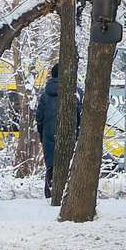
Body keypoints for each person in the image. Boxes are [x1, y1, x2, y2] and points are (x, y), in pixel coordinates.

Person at [36, 64, 81, 200]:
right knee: (69, 165)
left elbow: (39, 119)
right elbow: (81, 116)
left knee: (51, 165)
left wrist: (43, 135)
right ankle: (69, 195)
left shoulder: (45, 95)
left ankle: (50, 193)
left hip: (48, 135)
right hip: (71, 136)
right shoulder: (76, 93)